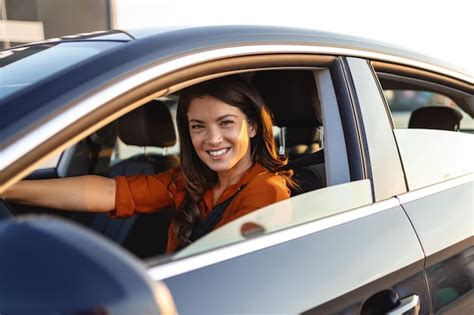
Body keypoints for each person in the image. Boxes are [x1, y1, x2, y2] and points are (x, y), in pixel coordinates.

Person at [3, 75, 294, 253]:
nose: (213, 139)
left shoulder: (266, 190)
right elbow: (109, 192)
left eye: (226, 123)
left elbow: (227, 272)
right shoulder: (191, 181)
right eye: (198, 126)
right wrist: (8, 188)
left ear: (253, 126)